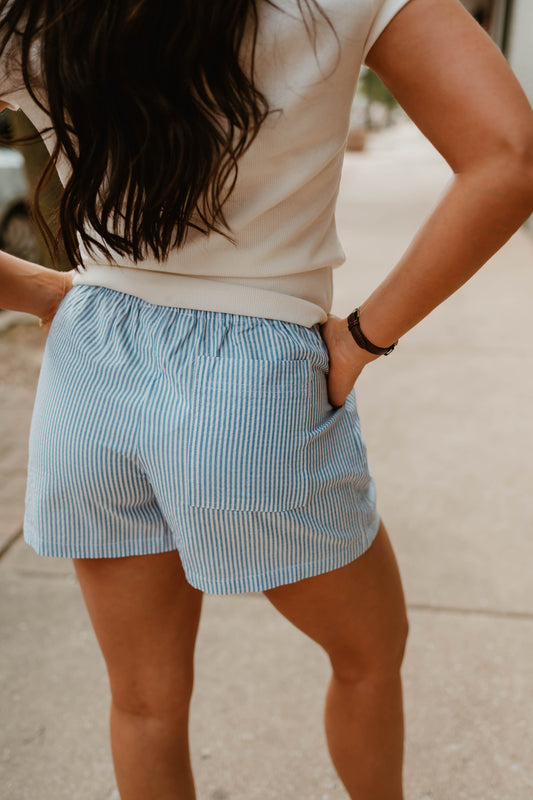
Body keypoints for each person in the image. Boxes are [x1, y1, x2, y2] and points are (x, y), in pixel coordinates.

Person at [1, 1, 533, 798]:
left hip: (89, 369)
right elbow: (507, 157)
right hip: (250, 373)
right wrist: (361, 339)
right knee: (368, 655)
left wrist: (39, 291)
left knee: (143, 704)